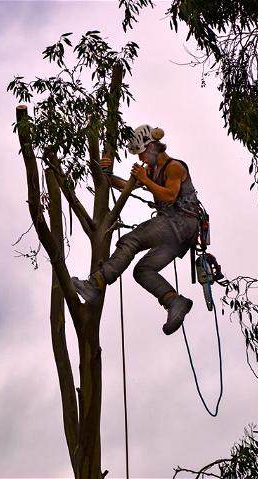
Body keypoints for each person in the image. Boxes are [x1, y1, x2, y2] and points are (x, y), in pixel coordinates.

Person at [72, 124, 201, 335]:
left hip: (179, 222)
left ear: (151, 146)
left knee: (132, 240)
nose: (141, 158)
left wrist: (144, 179)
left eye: (142, 152)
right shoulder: (151, 171)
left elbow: (169, 195)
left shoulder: (174, 167)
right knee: (142, 271)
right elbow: (126, 185)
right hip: (176, 236)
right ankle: (174, 301)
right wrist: (106, 174)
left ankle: (95, 283)